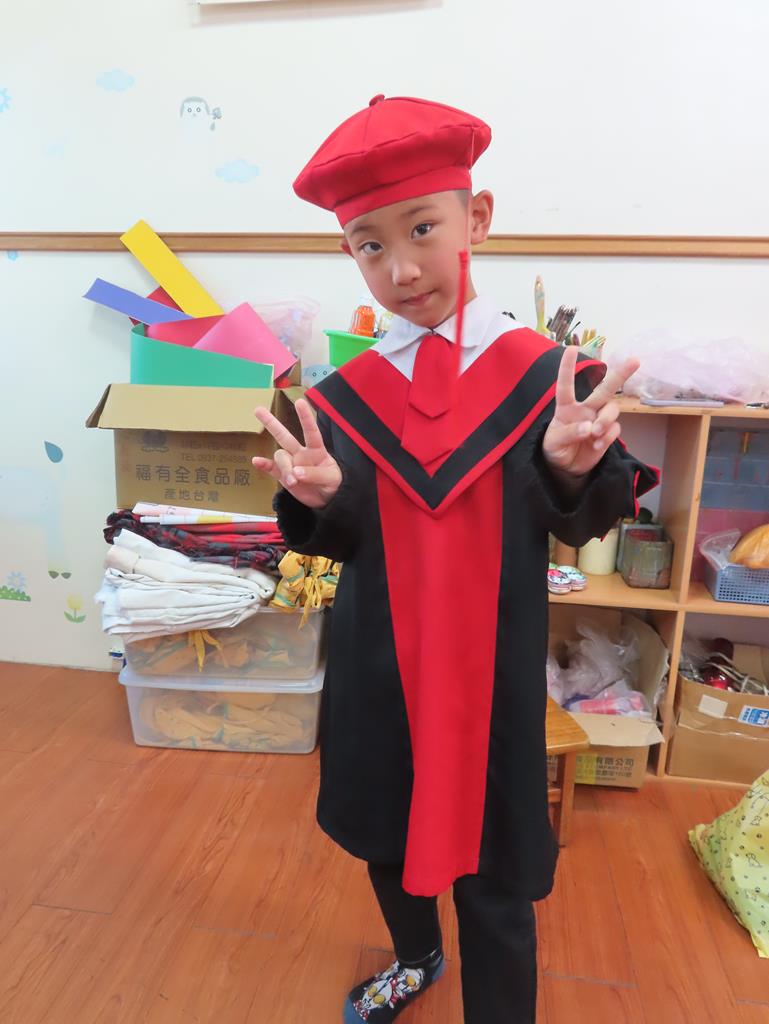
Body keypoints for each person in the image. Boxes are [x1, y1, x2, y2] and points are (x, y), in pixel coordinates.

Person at [252, 94, 658, 1024]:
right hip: (377, 667)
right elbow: (341, 538)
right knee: (385, 834)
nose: (400, 268)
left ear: (475, 218)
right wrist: (318, 499)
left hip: (492, 673)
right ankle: (416, 956)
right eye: (369, 244)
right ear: (349, 252)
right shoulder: (344, 397)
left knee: (496, 868)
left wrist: (567, 466)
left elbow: (586, 519)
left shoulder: (544, 377)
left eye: (422, 228)